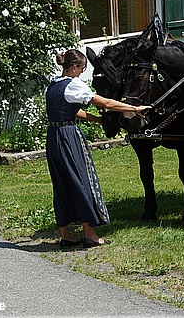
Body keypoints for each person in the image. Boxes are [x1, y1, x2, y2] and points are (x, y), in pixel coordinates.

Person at [46, 49, 150, 248]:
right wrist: (134, 108)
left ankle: (66, 235)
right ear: (74, 67)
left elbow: (72, 110)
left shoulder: (53, 84)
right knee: (81, 181)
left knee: (62, 183)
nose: (82, 72)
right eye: (82, 69)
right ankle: (90, 235)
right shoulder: (74, 85)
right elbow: (107, 102)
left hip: (53, 137)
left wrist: (98, 120)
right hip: (68, 137)